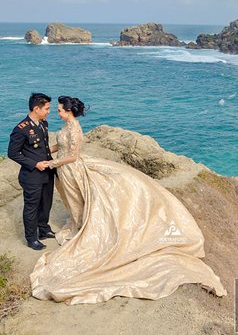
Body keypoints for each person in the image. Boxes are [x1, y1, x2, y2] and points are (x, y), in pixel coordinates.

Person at [30, 96, 227, 304]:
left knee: (78, 200)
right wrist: (45, 151)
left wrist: (50, 164)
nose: (57, 113)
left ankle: (82, 229)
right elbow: (61, 146)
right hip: (65, 170)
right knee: (73, 201)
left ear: (68, 112)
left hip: (71, 169)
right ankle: (79, 225)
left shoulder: (75, 129)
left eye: (59, 110)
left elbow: (73, 155)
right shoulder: (66, 126)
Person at [7, 93, 56, 251]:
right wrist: (35, 164)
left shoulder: (43, 123)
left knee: (46, 203)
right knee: (32, 207)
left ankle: (43, 229)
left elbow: (44, 147)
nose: (49, 111)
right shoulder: (21, 129)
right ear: (36, 108)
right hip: (32, 176)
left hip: (47, 172)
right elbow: (13, 153)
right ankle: (31, 238)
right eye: (47, 108)